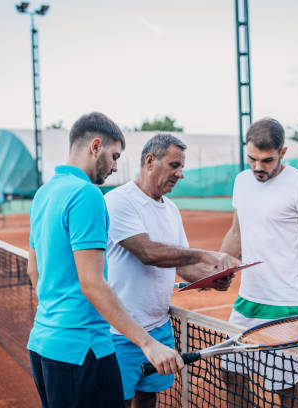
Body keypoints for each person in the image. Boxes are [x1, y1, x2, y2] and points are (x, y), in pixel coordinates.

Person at [26, 114, 184, 408]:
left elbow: (33, 270)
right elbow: (92, 284)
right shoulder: (87, 194)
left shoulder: (43, 193)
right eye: (114, 156)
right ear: (95, 146)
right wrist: (148, 344)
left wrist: (57, 317)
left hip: (42, 344)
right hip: (82, 350)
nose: (114, 166)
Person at [105, 134, 240, 408]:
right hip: (120, 334)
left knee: (148, 397)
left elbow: (181, 264)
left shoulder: (171, 209)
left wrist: (212, 280)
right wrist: (205, 253)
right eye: (174, 165)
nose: (181, 174)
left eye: (181, 166)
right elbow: (148, 252)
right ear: (150, 161)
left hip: (159, 328)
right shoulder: (119, 201)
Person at [220, 118, 298, 408]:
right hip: (247, 301)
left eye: (267, 160)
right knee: (231, 373)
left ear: (283, 152)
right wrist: (220, 267)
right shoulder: (242, 181)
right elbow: (236, 232)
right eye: (252, 158)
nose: (257, 167)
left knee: (284, 387)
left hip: (287, 305)